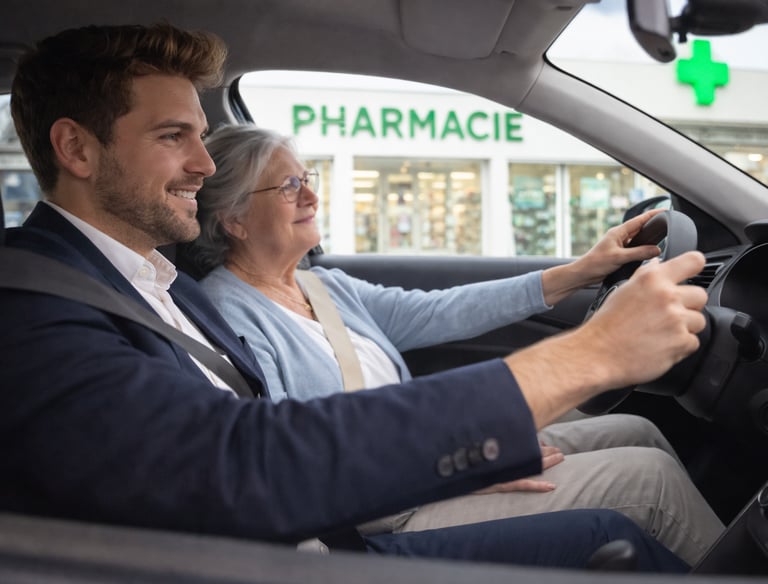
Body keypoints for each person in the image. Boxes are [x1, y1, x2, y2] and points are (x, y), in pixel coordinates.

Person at [0, 22, 707, 572]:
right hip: (302, 553)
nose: (204, 164)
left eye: (202, 138)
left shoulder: (160, 283)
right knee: (628, 505)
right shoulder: (34, 310)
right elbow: (242, 460)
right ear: (77, 149)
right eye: (172, 136)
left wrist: (578, 276)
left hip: (323, 533)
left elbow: (434, 316)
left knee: (636, 455)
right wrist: (584, 359)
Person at [190, 124, 722, 566]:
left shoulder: (320, 285)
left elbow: (444, 310)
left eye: (307, 179)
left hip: (432, 458)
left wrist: (580, 272)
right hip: (389, 507)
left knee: (639, 430)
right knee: (650, 480)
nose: (310, 195)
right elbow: (298, 466)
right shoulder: (231, 316)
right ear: (235, 219)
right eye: (288, 186)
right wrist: (456, 469)